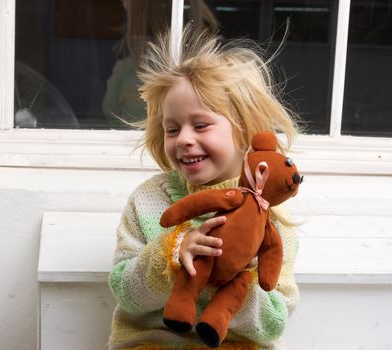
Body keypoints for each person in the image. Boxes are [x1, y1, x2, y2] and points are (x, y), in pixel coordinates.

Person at [108, 27, 300, 349]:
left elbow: (273, 322)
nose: (183, 139)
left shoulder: (272, 219)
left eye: (200, 125)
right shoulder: (148, 201)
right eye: (172, 129)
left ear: (244, 130)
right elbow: (125, 292)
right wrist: (169, 256)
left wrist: (235, 277)